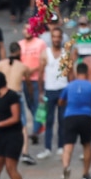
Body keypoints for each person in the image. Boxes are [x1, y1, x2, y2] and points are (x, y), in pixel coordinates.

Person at [58, 62, 91, 179]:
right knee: (87, 145)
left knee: (68, 145)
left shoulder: (69, 86)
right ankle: (86, 173)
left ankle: (66, 167)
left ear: (77, 73)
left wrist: (65, 103)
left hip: (70, 116)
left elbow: (61, 101)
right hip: (85, 116)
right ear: (87, 73)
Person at [0, 41, 34, 166]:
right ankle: (25, 152)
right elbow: (28, 84)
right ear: (19, 53)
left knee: (1, 120)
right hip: (16, 95)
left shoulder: (1, 64)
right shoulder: (22, 66)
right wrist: (31, 96)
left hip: (1, 95)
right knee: (22, 124)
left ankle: (0, 149)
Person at [36, 27, 69, 160]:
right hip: (49, 90)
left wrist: (70, 91)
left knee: (62, 120)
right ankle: (47, 148)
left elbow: (70, 73)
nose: (56, 39)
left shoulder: (66, 54)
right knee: (48, 120)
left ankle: (61, 146)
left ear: (61, 38)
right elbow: (40, 73)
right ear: (51, 38)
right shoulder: (45, 53)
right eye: (54, 37)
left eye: (58, 37)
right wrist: (41, 92)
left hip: (63, 89)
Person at [19, 24, 46, 143]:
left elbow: (43, 61)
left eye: (30, 28)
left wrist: (32, 71)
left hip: (37, 79)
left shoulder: (40, 43)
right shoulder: (20, 44)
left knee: (37, 104)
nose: (27, 31)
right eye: (25, 28)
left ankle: (35, 131)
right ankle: (39, 125)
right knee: (30, 105)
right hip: (25, 80)